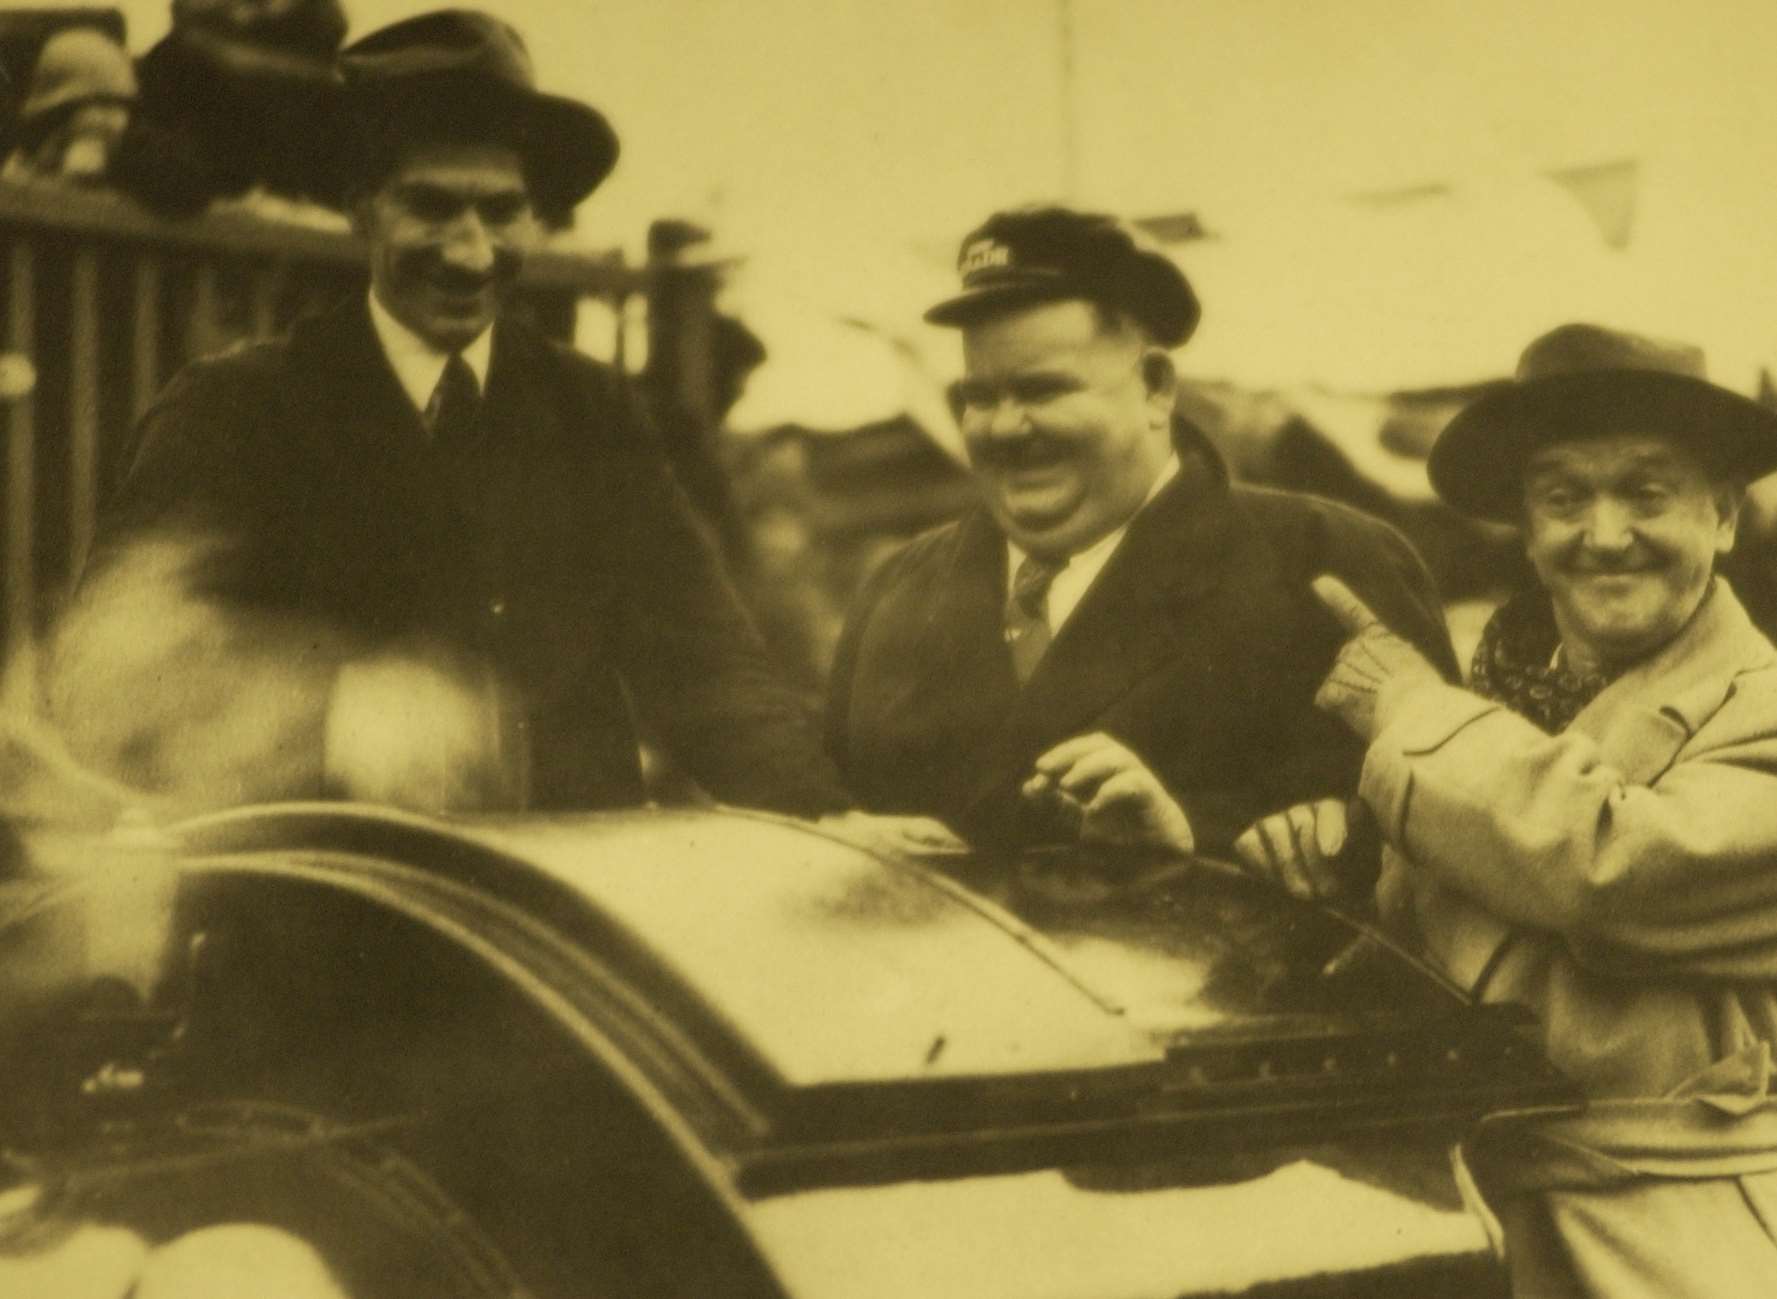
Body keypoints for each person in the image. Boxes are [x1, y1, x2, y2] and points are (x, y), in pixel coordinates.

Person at [47, 10, 850, 821]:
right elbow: (103, 675)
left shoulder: (591, 410)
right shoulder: (235, 407)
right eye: (430, 207)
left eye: (501, 212)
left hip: (558, 908)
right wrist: (330, 712)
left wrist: (834, 823)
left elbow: (710, 666)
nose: (470, 253)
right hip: (323, 912)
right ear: (361, 210)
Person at [1242, 322, 1777, 1296]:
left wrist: (1402, 710)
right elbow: (1436, 966)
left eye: (1648, 493)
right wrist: (1306, 879)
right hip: (1447, 1224)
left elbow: (1607, 869)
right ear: (1528, 534)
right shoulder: (1488, 706)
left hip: (1667, 1239)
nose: (1605, 535)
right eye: (1563, 498)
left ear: (1725, 517)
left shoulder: (1761, 707)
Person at [826, 205, 1456, 854]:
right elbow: (835, 820)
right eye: (979, 398)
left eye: (1042, 391)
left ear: (1155, 386)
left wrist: (1194, 838)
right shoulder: (897, 592)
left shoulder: (1320, 562)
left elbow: (1436, 843)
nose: (1004, 428)